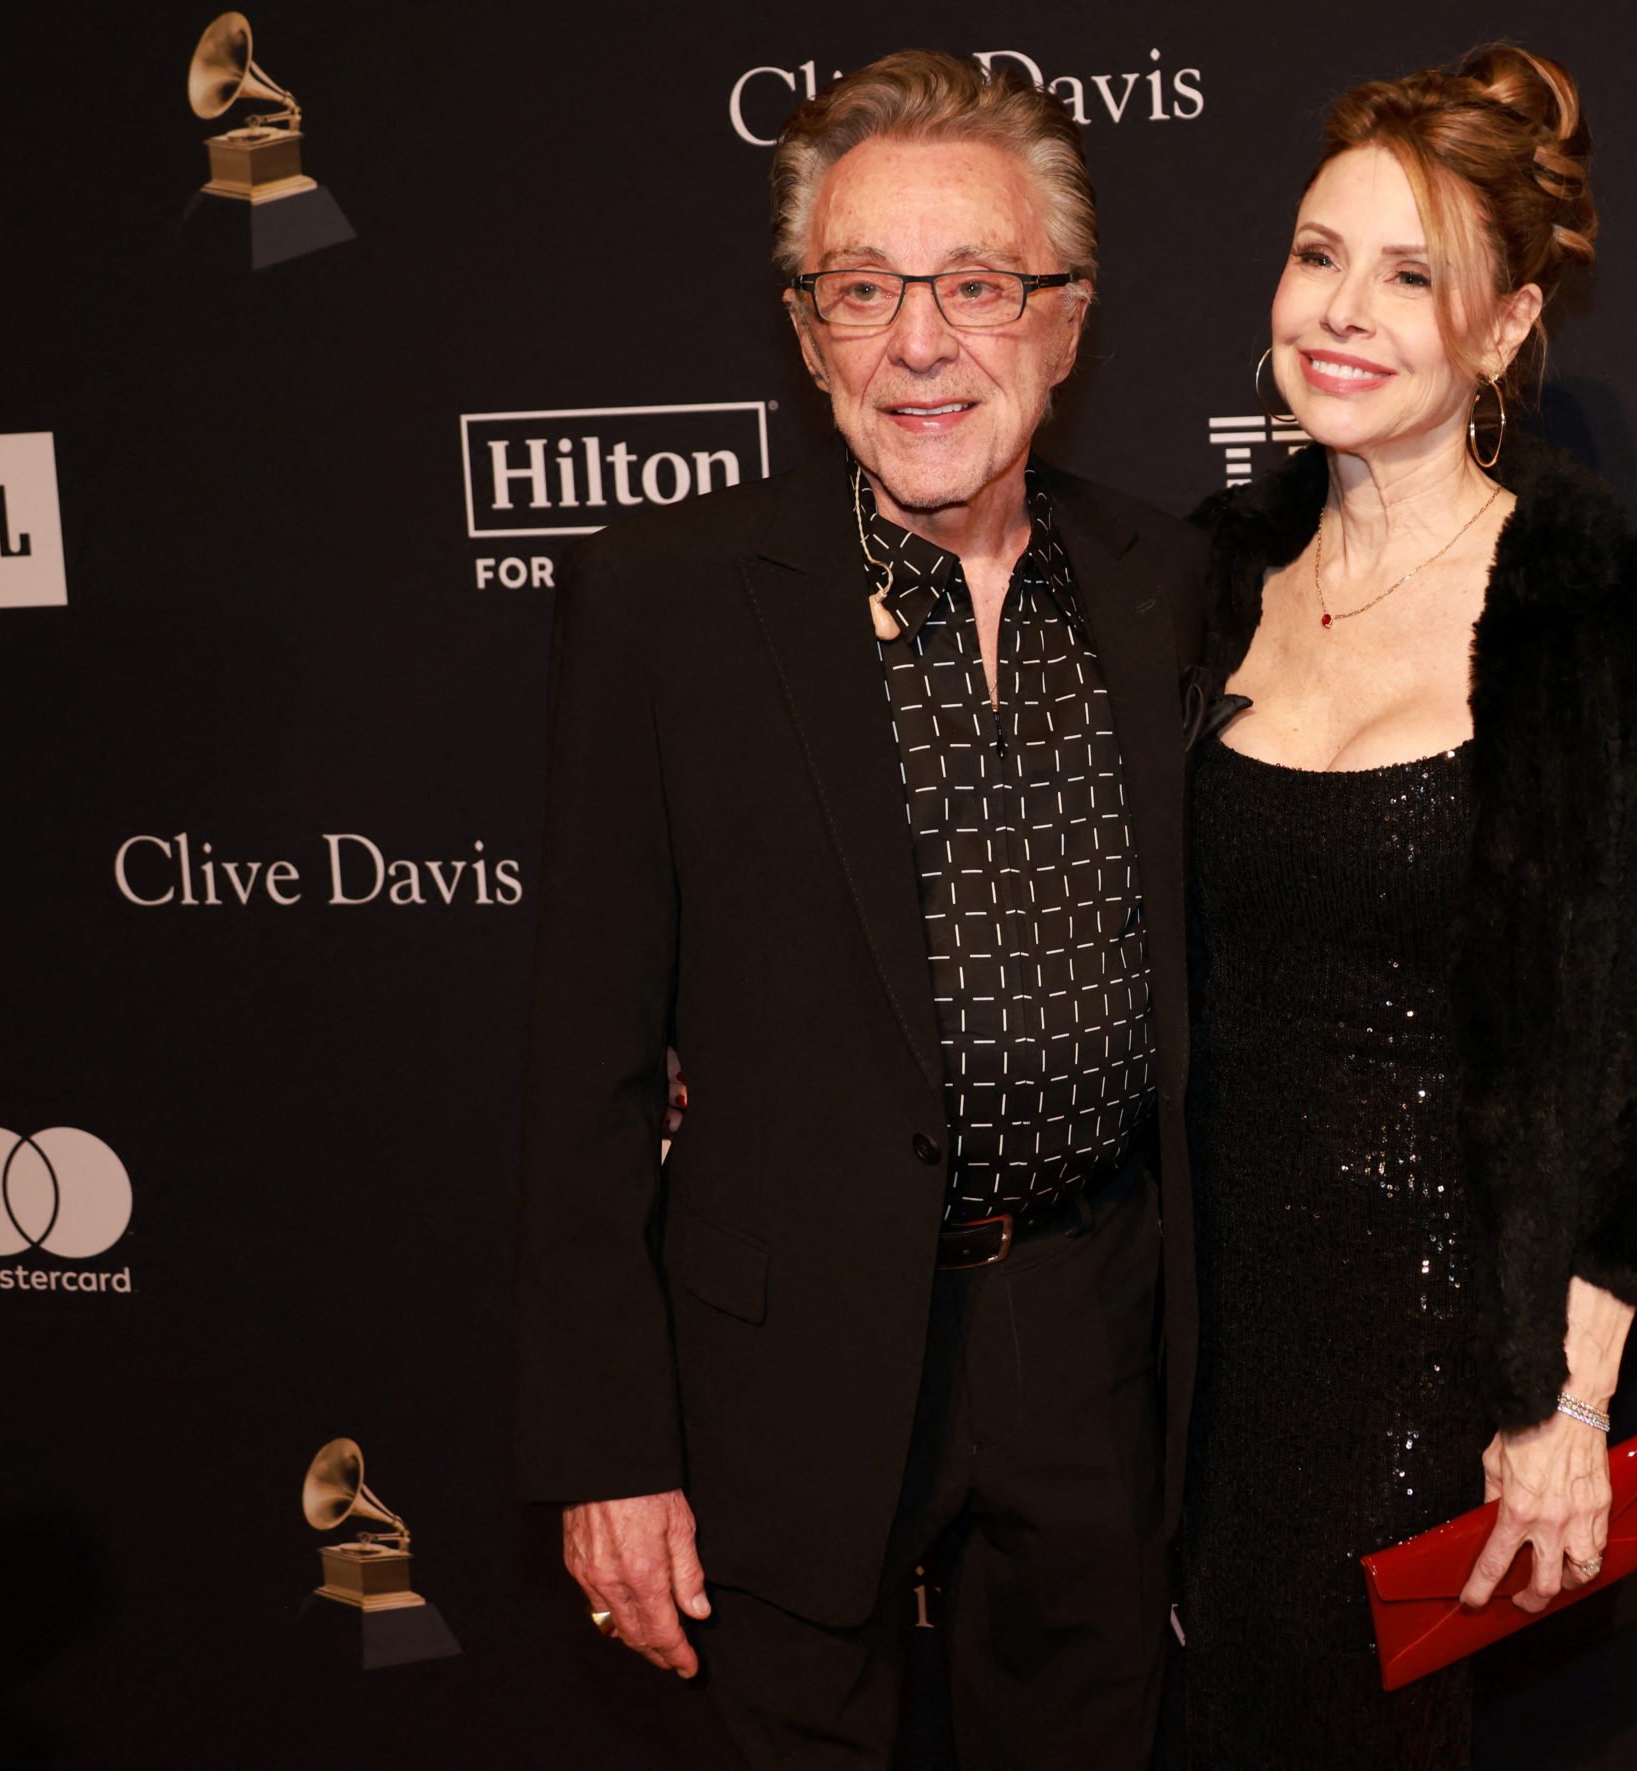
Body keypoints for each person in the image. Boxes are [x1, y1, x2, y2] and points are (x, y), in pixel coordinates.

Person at [509, 50, 1207, 1769]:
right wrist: (609, 1445)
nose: (918, 345)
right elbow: (586, 1063)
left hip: (1088, 1318)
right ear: (806, 325)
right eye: (861, 289)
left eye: (974, 287)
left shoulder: (1172, 585)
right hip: (782, 1356)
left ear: (1065, 316)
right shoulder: (659, 604)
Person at [1177, 44, 1637, 1765]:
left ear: (1506, 330)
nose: (1342, 312)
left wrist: (1568, 1399)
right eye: (1317, 255)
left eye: (1412, 274)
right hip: (1180, 1350)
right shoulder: (1204, 581)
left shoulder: (1612, 629)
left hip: (1439, 1356)